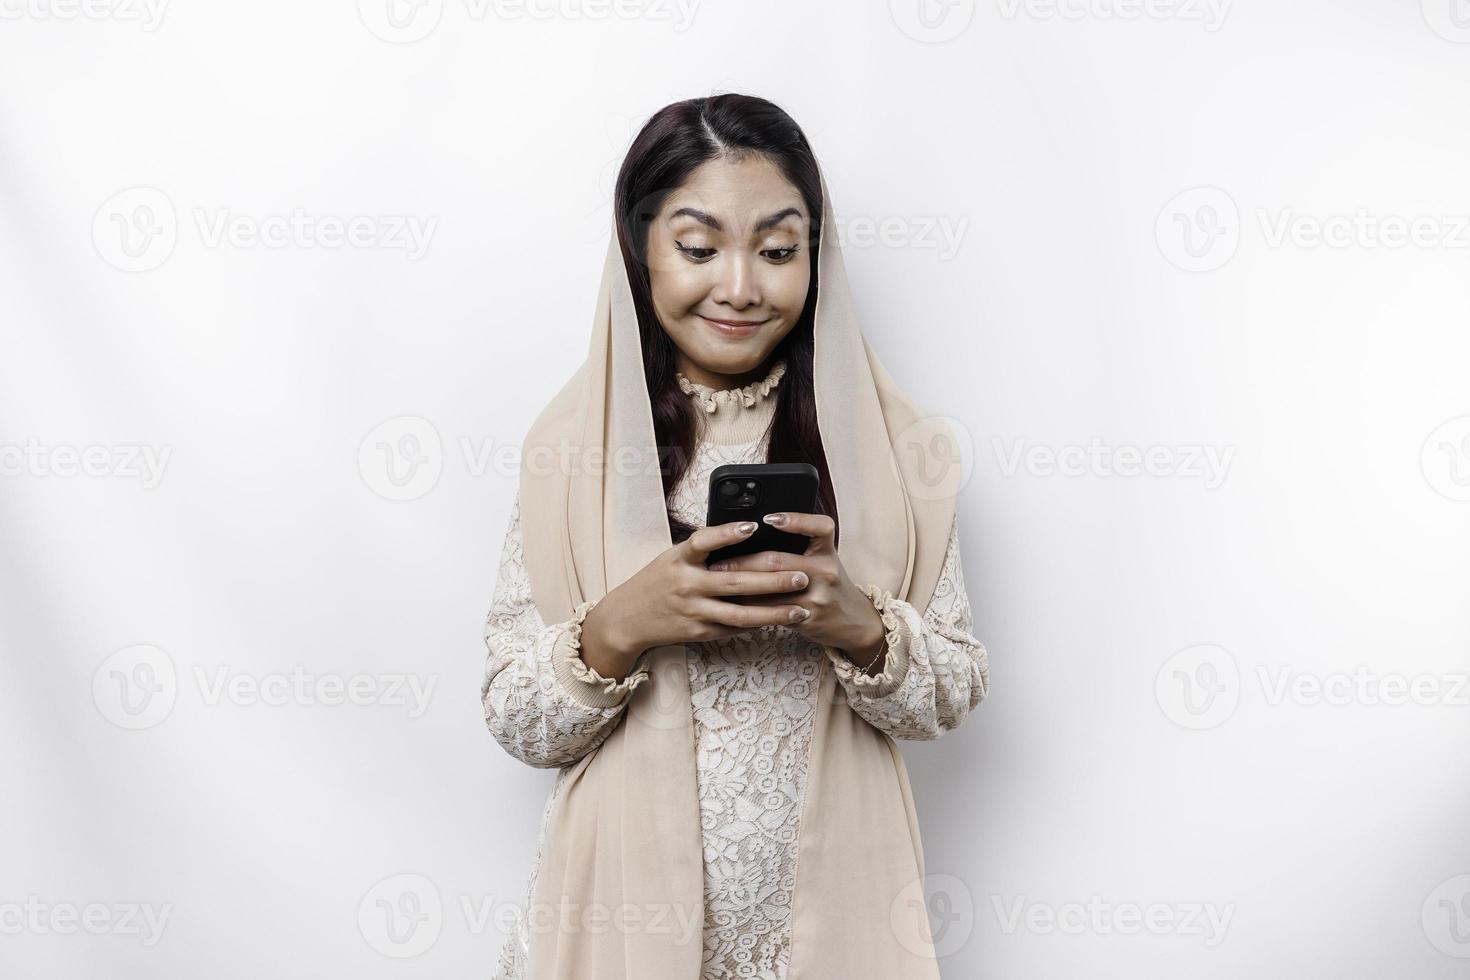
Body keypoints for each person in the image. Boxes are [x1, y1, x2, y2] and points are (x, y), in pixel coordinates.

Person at [482, 93, 989, 980]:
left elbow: (951, 694)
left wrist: (861, 627)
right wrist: (619, 626)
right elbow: (517, 719)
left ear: (816, 257)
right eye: (698, 247)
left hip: (833, 927)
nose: (742, 286)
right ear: (639, 251)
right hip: (617, 919)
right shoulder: (573, 450)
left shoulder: (902, 452)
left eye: (779, 249)